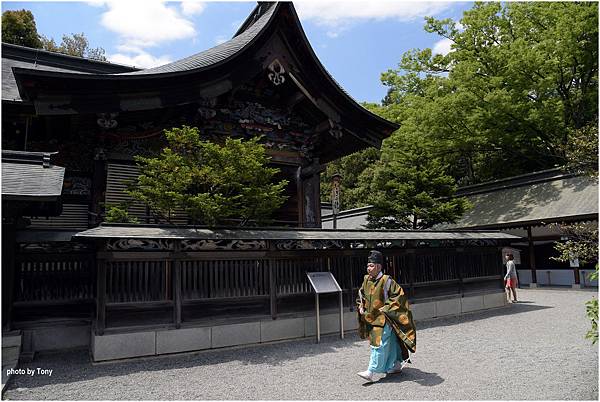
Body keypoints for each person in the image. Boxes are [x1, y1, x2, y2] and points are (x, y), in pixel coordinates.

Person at [356, 250, 417, 382]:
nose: (368, 268)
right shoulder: (366, 280)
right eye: (368, 265)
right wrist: (361, 306)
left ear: (378, 267)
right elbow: (361, 295)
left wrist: (386, 309)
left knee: (379, 343)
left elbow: (399, 296)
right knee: (393, 342)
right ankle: (395, 364)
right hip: (371, 318)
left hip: (385, 319)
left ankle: (371, 371)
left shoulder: (387, 281)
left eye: (371, 266)